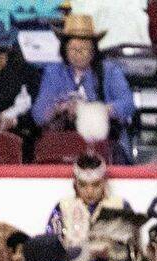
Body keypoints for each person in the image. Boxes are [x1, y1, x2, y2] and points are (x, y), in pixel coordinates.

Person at [31, 14, 134, 156]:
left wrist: (97, 110)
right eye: (73, 49)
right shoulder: (54, 72)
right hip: (64, 144)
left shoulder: (110, 71)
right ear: (64, 50)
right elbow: (38, 114)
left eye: (84, 49)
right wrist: (60, 108)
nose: (79, 54)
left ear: (93, 51)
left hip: (105, 144)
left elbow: (127, 104)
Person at [47, 154, 124, 260]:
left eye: (96, 185)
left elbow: (132, 250)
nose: (89, 191)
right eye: (83, 185)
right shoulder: (63, 207)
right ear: (75, 184)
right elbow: (51, 248)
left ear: (104, 183)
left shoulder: (119, 206)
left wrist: (111, 251)